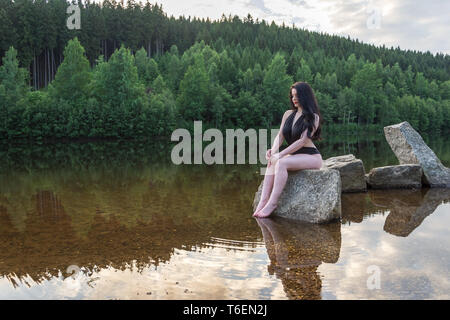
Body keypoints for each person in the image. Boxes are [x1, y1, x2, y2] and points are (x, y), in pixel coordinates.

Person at [253, 82, 323, 218]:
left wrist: (281, 155)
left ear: (305, 96)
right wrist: (273, 151)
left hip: (311, 157)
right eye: (292, 96)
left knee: (281, 162)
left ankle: (273, 203)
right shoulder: (288, 114)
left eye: (297, 95)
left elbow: (302, 141)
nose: (294, 99)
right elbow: (280, 136)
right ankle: (263, 201)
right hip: (294, 156)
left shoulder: (313, 117)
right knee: (272, 162)